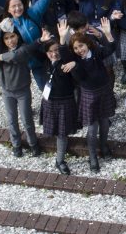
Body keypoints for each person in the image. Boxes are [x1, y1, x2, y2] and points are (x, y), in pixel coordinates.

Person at [58, 19, 117, 173]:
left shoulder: (96, 52)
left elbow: (111, 48)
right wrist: (62, 38)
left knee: (104, 123)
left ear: (87, 44)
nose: (79, 50)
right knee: (92, 128)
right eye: (75, 48)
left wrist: (107, 33)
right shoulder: (74, 61)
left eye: (81, 46)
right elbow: (64, 54)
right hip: (89, 94)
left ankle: (103, 146)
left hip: (104, 91)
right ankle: (92, 156)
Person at [0, 25, 41, 158]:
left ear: (18, 36)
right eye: (6, 38)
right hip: (7, 91)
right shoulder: (0, 50)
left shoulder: (23, 49)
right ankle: (16, 144)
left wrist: (0, 57)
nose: (10, 40)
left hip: (23, 91)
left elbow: (14, 56)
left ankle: (33, 143)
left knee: (27, 119)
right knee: (12, 120)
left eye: (12, 36)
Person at [38, 35, 78, 174]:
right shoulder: (44, 61)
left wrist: (62, 42)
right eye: (50, 51)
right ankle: (61, 152)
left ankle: (59, 160)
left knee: (62, 133)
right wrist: (40, 40)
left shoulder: (67, 62)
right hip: (49, 100)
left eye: (57, 50)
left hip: (65, 101)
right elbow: (29, 51)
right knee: (56, 131)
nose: (54, 54)